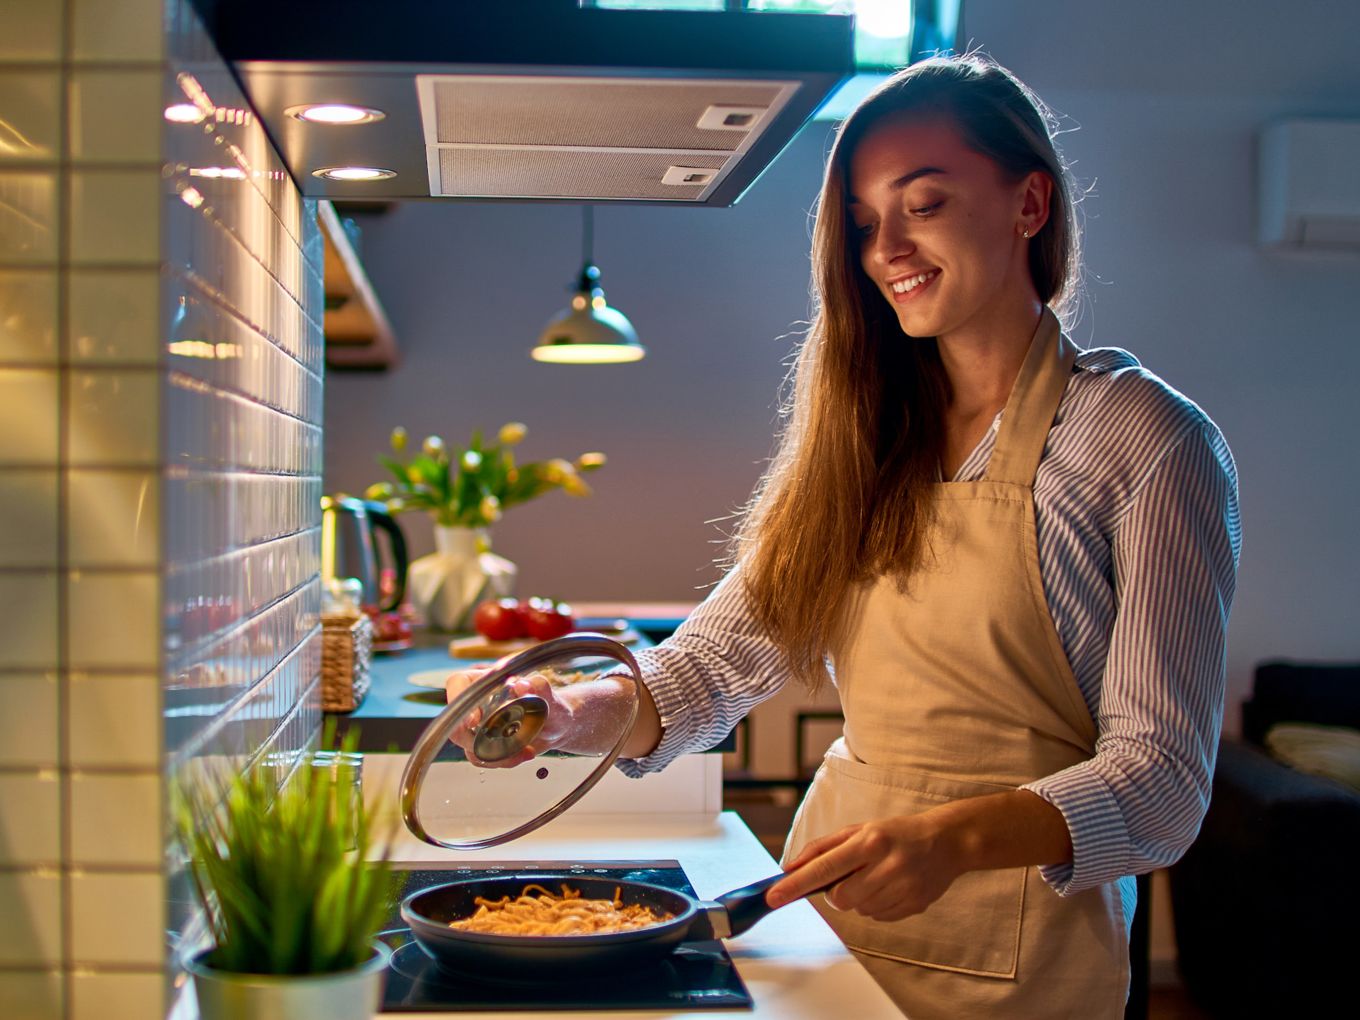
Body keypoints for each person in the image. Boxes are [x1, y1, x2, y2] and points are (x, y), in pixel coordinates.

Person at [447, 53, 1240, 1019]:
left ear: (1030, 204)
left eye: (927, 203)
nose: (887, 248)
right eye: (864, 224)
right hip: (824, 928)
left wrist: (949, 841)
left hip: (1025, 953)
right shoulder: (866, 438)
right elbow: (707, 672)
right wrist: (566, 713)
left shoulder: (1146, 440)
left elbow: (1161, 787)